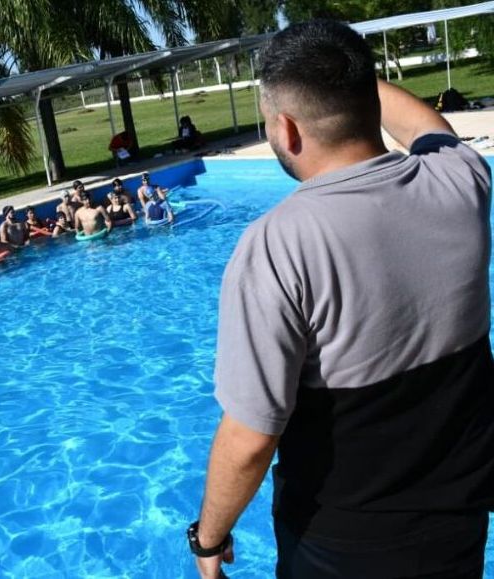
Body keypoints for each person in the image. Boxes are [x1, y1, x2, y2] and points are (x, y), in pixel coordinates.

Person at [191, 20, 494, 579]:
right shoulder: (462, 180)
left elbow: (253, 435)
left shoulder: (277, 247)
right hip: (461, 518)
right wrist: (345, 78)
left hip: (343, 543)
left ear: (285, 127)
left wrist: (207, 538)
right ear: (364, 98)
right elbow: (425, 124)